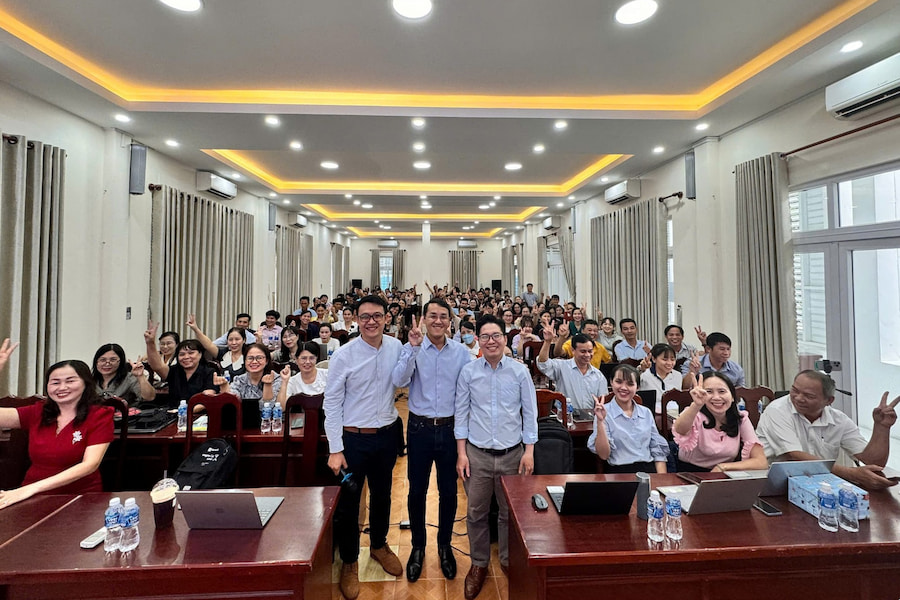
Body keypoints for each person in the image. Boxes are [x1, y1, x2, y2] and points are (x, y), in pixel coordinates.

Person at [324, 296, 403, 600]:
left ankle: (379, 545)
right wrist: (334, 448)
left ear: (386, 318)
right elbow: (331, 402)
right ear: (356, 319)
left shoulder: (396, 348)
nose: (372, 322)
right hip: (352, 440)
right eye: (365, 316)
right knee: (349, 503)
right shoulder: (344, 355)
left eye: (378, 316)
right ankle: (349, 560)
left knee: (384, 495)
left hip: (385, 437)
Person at [455, 315, 537, 599]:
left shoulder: (519, 372)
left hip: (512, 455)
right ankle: (478, 564)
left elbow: (530, 413)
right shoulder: (468, 372)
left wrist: (529, 452)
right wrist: (461, 454)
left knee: (508, 514)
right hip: (476, 455)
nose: (491, 341)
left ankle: (505, 559)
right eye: (486, 336)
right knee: (476, 513)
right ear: (478, 340)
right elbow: (461, 415)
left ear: (505, 338)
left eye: (496, 335)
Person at [392, 300, 471, 582]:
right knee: (417, 491)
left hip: (451, 430)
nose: (438, 321)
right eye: (433, 316)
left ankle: (445, 546)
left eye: (443, 317)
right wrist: (412, 348)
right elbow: (398, 380)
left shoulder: (462, 353)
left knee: (449, 492)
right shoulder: (411, 347)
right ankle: (417, 547)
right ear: (423, 319)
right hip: (419, 429)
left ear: (451, 321)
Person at [756, 370, 899, 491]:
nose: (798, 398)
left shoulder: (839, 420)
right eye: (795, 390)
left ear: (829, 400)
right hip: (775, 487)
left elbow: (873, 462)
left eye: (808, 396)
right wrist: (851, 474)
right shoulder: (777, 410)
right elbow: (795, 456)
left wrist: (882, 427)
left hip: (823, 486)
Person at [0, 360, 113, 509]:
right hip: (31, 496)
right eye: (55, 382)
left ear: (86, 383)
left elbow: (90, 464)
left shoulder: (99, 415)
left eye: (70, 381)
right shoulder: (37, 411)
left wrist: (32, 488)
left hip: (80, 497)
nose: (62, 387)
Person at [672, 372, 767, 472]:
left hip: (724, 473)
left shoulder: (741, 418)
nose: (716, 397)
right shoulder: (694, 413)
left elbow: (761, 462)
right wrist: (696, 405)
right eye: (709, 392)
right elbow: (680, 430)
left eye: (722, 391)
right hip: (689, 473)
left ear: (732, 396)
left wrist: (723, 467)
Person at [588, 364, 668, 473]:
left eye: (630, 384)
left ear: (637, 387)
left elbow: (658, 452)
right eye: (619, 382)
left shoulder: (646, 412)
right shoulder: (603, 412)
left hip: (648, 470)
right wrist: (600, 421)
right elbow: (603, 455)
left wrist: (661, 480)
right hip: (619, 471)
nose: (624, 388)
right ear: (611, 382)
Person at [144, 321, 218, 406]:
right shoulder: (174, 370)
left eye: (191, 353)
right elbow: (157, 366)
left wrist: (185, 411)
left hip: (197, 415)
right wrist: (150, 343)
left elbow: (207, 397)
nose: (186, 357)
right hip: (172, 413)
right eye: (182, 354)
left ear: (200, 354)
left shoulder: (209, 372)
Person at [537, 330, 608, 410]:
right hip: (564, 416)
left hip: (590, 418)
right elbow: (543, 364)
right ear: (573, 351)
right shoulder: (562, 367)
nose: (587, 355)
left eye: (590, 351)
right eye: (583, 351)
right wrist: (547, 341)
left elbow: (604, 402)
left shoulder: (598, 375)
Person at [217, 343, 281, 428]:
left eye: (259, 358)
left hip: (269, 426)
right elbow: (233, 402)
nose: (254, 362)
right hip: (241, 426)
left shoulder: (276, 379)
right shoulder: (239, 379)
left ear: (267, 361)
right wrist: (224, 386)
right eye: (250, 358)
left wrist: (267, 385)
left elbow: (267, 407)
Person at [91, 343, 156, 406]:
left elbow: (149, 397)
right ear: (96, 362)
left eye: (113, 360)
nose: (107, 364)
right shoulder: (90, 379)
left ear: (121, 362)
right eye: (103, 360)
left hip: (122, 416)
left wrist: (140, 376)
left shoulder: (129, 378)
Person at [188, 315, 247, 379]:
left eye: (237, 339)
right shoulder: (223, 353)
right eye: (230, 340)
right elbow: (209, 345)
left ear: (244, 340)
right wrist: (196, 329)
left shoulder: (248, 355)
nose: (234, 343)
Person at [638, 344, 683, 415]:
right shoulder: (644, 374)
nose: (669, 363)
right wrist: (641, 369)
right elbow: (631, 380)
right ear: (654, 359)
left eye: (672, 359)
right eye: (664, 359)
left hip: (674, 414)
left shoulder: (678, 375)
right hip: (651, 414)